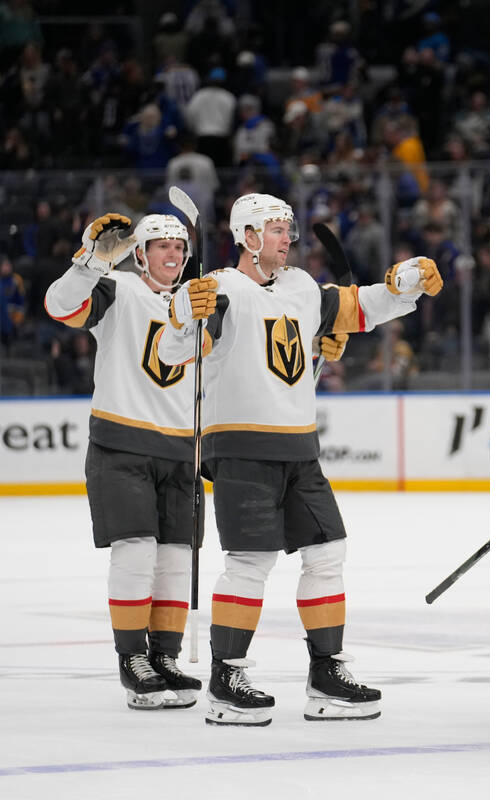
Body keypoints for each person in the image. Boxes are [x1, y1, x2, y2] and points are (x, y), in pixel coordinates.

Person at [155, 193, 442, 725]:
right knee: (251, 562)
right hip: (241, 448)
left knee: (328, 550)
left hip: (299, 448)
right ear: (246, 237)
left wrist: (403, 285)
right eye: (276, 230)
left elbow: (357, 307)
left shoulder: (300, 287)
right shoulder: (220, 288)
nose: (288, 239)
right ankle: (227, 674)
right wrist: (181, 316)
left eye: (289, 229)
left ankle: (326, 670)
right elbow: (174, 354)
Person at [44, 212, 203, 710]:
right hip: (122, 444)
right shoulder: (117, 290)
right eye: (161, 246)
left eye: (179, 246)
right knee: (136, 554)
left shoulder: (201, 303)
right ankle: (132, 657)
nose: (172, 254)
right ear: (140, 253)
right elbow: (58, 305)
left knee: (176, 562)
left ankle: (165, 657)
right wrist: (90, 262)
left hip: (181, 450)